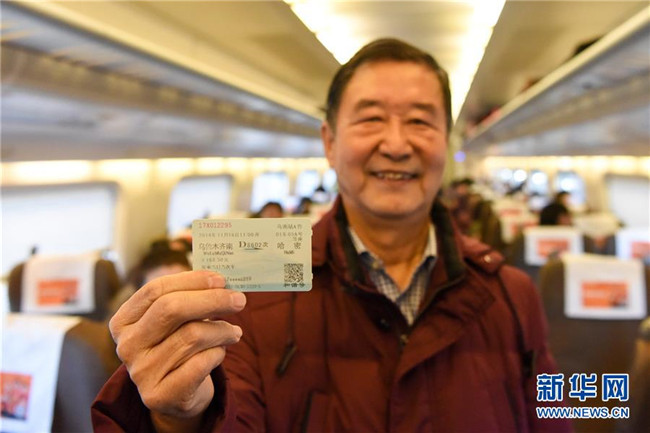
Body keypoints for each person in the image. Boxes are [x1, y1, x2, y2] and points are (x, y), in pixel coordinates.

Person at [93, 38, 570, 432]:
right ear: (329, 142)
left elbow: (553, 419)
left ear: (445, 143)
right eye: (371, 119)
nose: (397, 144)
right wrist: (179, 419)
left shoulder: (512, 295)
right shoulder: (252, 294)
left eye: (421, 121)